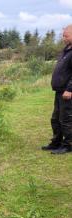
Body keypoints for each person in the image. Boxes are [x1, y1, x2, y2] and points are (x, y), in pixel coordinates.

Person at [42, 24, 72, 154]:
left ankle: (68, 145)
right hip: (59, 91)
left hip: (67, 92)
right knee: (55, 119)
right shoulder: (66, 50)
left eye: (66, 35)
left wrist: (70, 89)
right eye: (63, 35)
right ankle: (57, 142)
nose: (63, 38)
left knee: (66, 119)